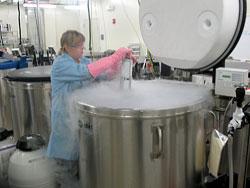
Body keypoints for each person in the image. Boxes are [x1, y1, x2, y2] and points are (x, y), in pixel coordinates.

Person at [46, 30, 135, 188]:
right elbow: (87, 72)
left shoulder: (82, 61)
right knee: (65, 171)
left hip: (79, 123)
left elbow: (102, 75)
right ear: (66, 47)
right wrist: (114, 56)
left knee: (79, 168)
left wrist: (120, 63)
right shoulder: (61, 64)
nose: (82, 49)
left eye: (82, 45)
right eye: (78, 46)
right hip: (65, 124)